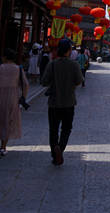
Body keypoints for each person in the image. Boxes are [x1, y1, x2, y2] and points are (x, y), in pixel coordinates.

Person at [40, 38, 82, 166]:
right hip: (69, 102)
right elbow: (79, 81)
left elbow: (44, 82)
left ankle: (54, 153)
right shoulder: (74, 65)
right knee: (66, 128)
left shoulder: (52, 64)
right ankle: (60, 148)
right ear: (69, 51)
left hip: (54, 103)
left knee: (53, 129)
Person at [0, 48, 28, 156]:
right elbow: (25, 84)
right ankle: (3, 147)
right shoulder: (18, 69)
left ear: (4, 57)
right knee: (8, 121)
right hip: (13, 97)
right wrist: (23, 97)